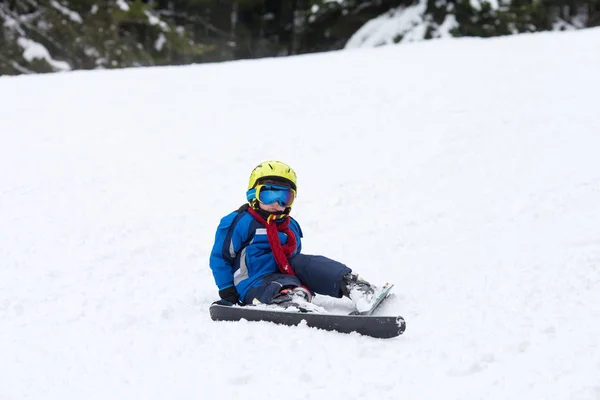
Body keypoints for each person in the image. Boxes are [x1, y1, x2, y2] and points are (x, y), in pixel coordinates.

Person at [209, 160, 382, 312]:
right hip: (252, 282)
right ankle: (289, 299)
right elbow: (220, 257)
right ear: (253, 194)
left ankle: (352, 285)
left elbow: (294, 255)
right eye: (268, 195)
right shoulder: (240, 222)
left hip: (285, 274)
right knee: (277, 284)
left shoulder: (289, 225)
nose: (276, 204)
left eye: (284, 197)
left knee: (306, 262)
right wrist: (227, 292)